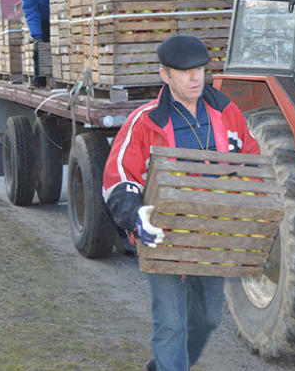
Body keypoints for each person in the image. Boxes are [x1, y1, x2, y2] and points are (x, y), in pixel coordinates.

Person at [102, 35, 260, 371]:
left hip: (213, 238)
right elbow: (118, 177)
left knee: (207, 319)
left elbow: (251, 160)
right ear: (165, 75)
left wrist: (247, 207)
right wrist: (137, 215)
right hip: (163, 236)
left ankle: (163, 366)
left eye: (200, 70)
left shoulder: (226, 112)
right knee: (171, 323)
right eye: (185, 72)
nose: (195, 78)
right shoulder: (145, 121)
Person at [21, 0, 50, 88]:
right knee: (39, 48)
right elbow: (31, 12)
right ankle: (39, 79)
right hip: (41, 21)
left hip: (56, 19)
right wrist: (37, 36)